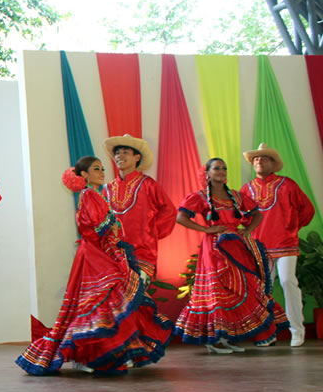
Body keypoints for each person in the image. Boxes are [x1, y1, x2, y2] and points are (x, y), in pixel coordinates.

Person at [16, 157, 171, 375]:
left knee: (105, 305)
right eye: (96, 169)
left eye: (103, 168)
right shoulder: (90, 195)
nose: (102, 172)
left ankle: (102, 353)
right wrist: (115, 229)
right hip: (95, 256)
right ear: (85, 175)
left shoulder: (95, 195)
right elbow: (99, 228)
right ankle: (85, 355)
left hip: (99, 253)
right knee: (100, 303)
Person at [175, 157, 289, 352]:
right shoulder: (200, 196)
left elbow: (257, 214)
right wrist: (206, 230)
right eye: (216, 168)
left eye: (224, 168)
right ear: (207, 173)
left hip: (236, 245)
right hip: (214, 248)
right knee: (218, 291)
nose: (221, 171)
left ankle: (230, 336)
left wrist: (246, 230)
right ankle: (215, 339)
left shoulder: (236, 196)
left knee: (247, 285)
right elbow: (181, 217)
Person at [241, 143, 315, 347]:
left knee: (287, 281)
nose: (259, 161)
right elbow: (243, 216)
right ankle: (267, 333)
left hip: (285, 244)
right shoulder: (246, 189)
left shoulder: (287, 185)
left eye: (264, 158)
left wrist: (290, 227)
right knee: (264, 288)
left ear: (273, 164)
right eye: (256, 159)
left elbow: (307, 209)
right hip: (260, 246)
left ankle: (297, 330)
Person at [102, 134, 176, 283]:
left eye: (125, 152)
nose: (119, 156)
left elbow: (169, 211)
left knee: (135, 300)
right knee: (116, 303)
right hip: (113, 254)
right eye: (117, 153)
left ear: (137, 157)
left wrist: (150, 231)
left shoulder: (148, 185)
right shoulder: (107, 189)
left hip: (142, 254)